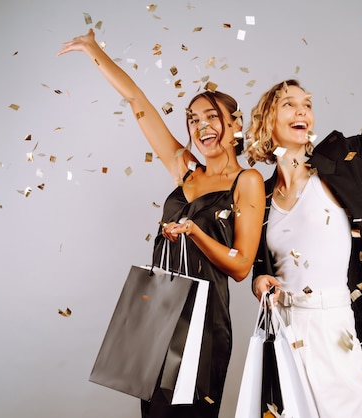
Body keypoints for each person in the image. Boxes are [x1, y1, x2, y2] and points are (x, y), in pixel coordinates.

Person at [58, 29, 265, 418]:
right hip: (157, 307)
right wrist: (93, 49)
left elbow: (240, 267)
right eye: (192, 119)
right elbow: (137, 100)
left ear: (235, 124)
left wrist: (195, 231)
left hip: (203, 320)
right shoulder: (184, 169)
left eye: (211, 117)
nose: (201, 126)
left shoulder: (247, 182)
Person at [247, 2, 362, 416]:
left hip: (334, 326)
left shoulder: (342, 158)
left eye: (307, 104)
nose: (302, 111)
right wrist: (260, 281)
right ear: (267, 122)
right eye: (289, 104)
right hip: (282, 328)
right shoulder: (256, 195)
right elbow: (259, 266)